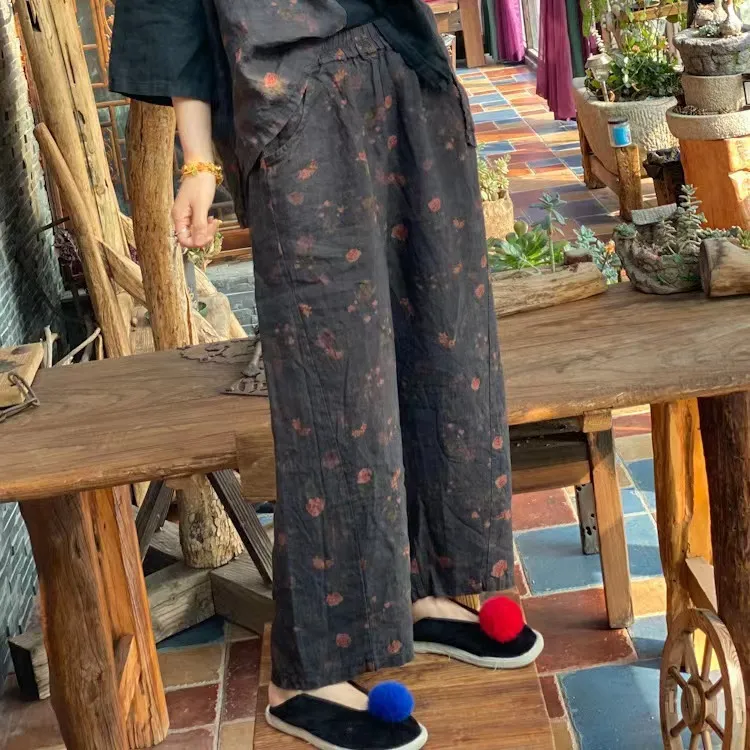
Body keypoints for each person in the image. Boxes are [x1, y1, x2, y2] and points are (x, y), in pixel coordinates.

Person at [110, 3, 543, 748]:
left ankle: (425, 588)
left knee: (446, 341)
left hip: (404, 68)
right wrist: (198, 160)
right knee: (332, 382)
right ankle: (306, 674)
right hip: (293, 96)